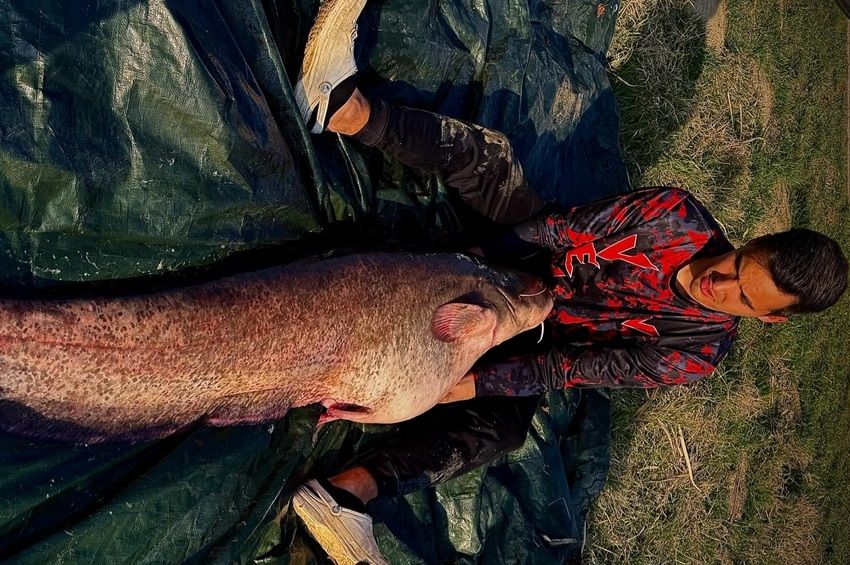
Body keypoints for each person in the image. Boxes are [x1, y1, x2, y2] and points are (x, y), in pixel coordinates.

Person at [288, 1, 849, 563]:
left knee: (499, 430)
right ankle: (342, 106)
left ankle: (346, 495)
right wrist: (468, 264)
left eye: (743, 299)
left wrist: (468, 385)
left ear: (768, 318)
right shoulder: (676, 217)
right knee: (492, 161)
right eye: (737, 262)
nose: (718, 283)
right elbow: (559, 229)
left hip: (538, 334)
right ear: (754, 241)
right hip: (532, 251)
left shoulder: (694, 352)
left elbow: (569, 368)